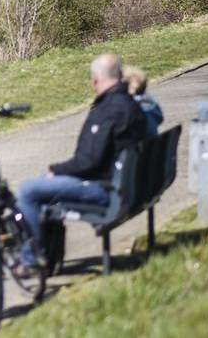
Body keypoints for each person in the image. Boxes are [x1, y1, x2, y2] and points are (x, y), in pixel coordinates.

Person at [15, 53, 147, 271]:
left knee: (28, 191)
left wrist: (56, 170)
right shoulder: (129, 103)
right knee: (43, 188)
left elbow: (89, 162)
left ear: (95, 80)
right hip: (127, 185)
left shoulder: (109, 109)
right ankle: (48, 256)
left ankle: (31, 260)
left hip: (107, 189)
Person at [123, 65, 164, 137]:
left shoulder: (130, 108)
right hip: (152, 142)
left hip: (137, 143)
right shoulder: (151, 104)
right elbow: (160, 118)